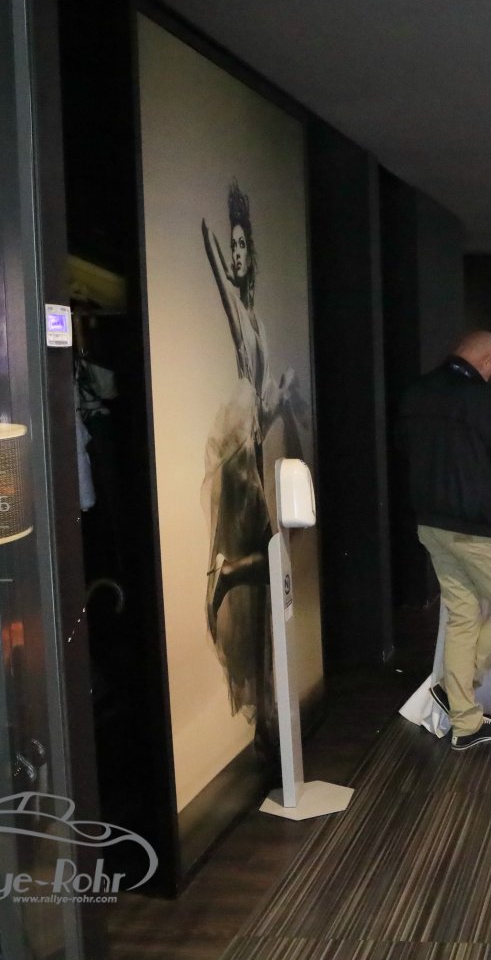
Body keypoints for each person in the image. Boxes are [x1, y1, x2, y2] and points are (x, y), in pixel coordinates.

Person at [200, 180, 304, 750]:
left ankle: (267, 712)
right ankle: (230, 575)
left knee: (271, 563)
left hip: (253, 435)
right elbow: (217, 265)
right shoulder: (238, 310)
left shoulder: (257, 317)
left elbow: (262, 395)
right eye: (234, 246)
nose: (237, 255)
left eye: (243, 246)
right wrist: (219, 244)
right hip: (238, 442)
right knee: (268, 551)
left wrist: (280, 395)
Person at [399, 331, 491, 751]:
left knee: (462, 615)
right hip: (476, 527)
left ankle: (466, 722)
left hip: (431, 522)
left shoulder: (417, 391)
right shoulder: (477, 396)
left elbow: (405, 449)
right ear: (488, 361)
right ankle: (453, 688)